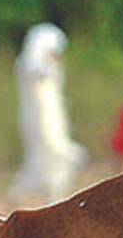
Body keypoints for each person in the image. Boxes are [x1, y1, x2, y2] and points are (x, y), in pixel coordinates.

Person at [7, 22, 87, 205]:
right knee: (52, 153)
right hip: (39, 119)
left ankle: (50, 197)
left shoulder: (42, 64)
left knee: (48, 160)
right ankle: (43, 198)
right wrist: (49, 62)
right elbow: (37, 70)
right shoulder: (30, 62)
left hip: (49, 117)